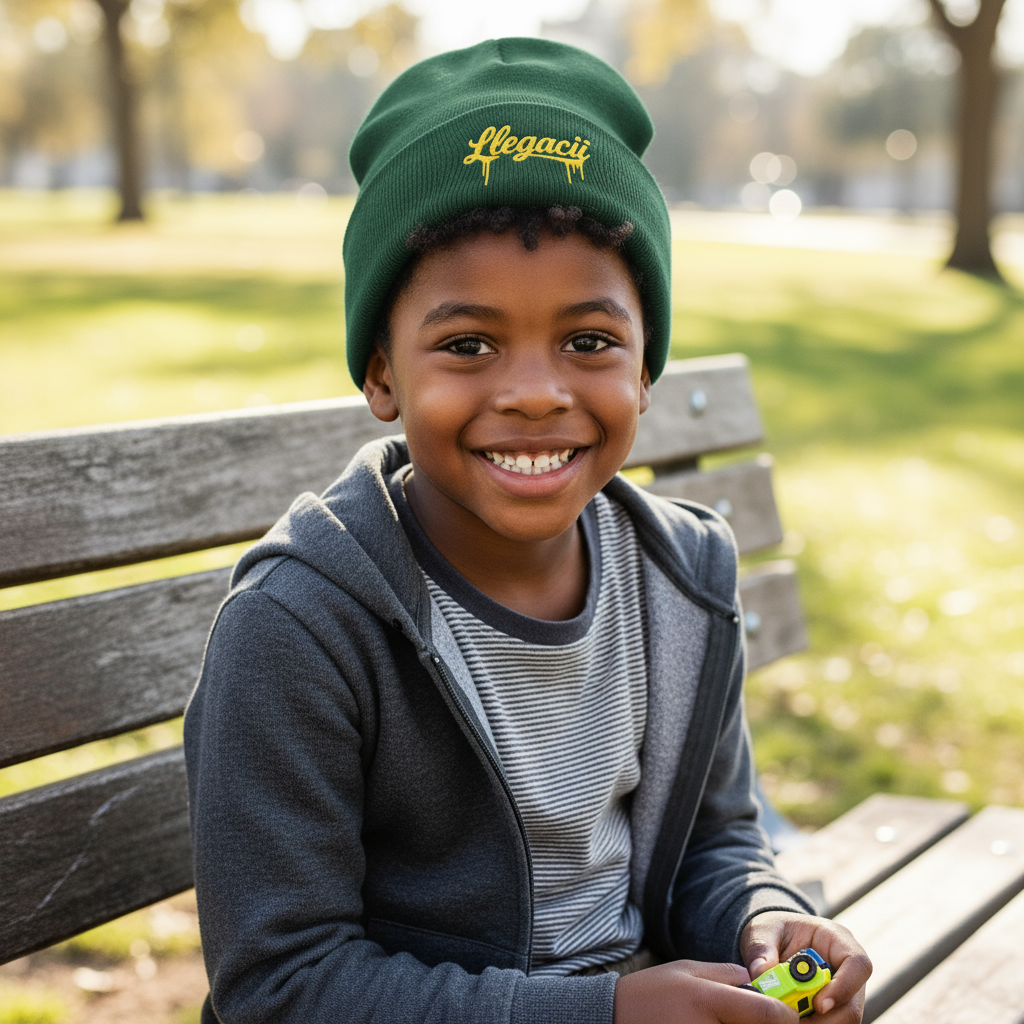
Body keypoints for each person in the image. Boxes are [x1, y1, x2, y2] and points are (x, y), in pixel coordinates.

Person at [184, 36, 871, 1024]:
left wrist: (764, 919)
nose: (537, 393)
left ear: (645, 367)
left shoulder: (681, 578)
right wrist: (605, 1014)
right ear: (381, 372)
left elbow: (715, 843)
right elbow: (281, 986)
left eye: (589, 341)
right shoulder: (300, 626)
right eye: (469, 344)